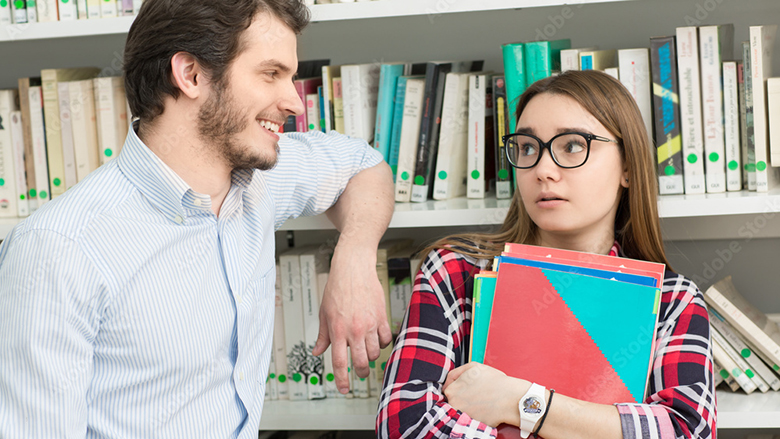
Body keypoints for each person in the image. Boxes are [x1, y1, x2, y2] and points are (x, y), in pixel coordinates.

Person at [0, 0, 394, 436]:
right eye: (271, 74)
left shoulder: (262, 178)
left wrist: (355, 258)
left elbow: (364, 165)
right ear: (190, 75)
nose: (294, 102)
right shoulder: (57, 249)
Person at [377, 70, 715, 439]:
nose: (543, 170)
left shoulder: (673, 299)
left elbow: (688, 431)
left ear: (629, 168)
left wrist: (519, 400)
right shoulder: (454, 272)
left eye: (572, 145)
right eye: (527, 147)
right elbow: (405, 425)